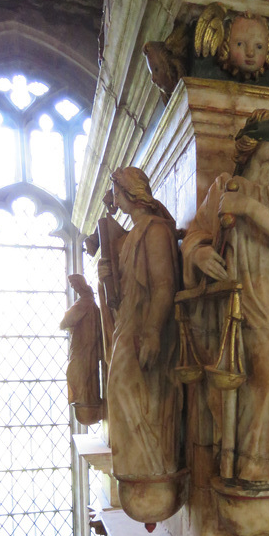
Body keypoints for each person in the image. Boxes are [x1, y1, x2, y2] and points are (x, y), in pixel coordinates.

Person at [181, 109, 269, 487]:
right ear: (253, 145)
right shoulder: (223, 187)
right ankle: (233, 458)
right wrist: (200, 254)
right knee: (234, 382)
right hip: (230, 304)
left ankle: (260, 466)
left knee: (268, 378)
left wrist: (251, 209)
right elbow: (195, 235)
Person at [106, 167, 181, 484]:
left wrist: (152, 332)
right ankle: (140, 464)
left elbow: (164, 285)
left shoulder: (154, 230)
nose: (114, 199)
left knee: (130, 390)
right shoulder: (130, 235)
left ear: (128, 193)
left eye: (116, 192)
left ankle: (152, 462)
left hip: (144, 329)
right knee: (121, 391)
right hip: (128, 325)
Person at [59, 274, 103, 425]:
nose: (75, 288)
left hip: (84, 346)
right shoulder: (86, 301)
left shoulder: (85, 301)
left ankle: (86, 399)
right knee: (80, 372)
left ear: (81, 284)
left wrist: (67, 319)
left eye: (75, 285)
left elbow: (66, 321)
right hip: (81, 345)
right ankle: (85, 398)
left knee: (77, 371)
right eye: (72, 287)